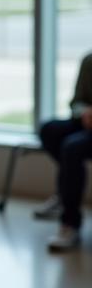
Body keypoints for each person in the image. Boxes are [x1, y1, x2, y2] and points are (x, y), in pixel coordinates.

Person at [36, 51, 92, 252]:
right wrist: (84, 112)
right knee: (49, 130)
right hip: (86, 123)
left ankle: (69, 223)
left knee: (72, 147)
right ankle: (67, 192)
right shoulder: (89, 60)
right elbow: (76, 102)